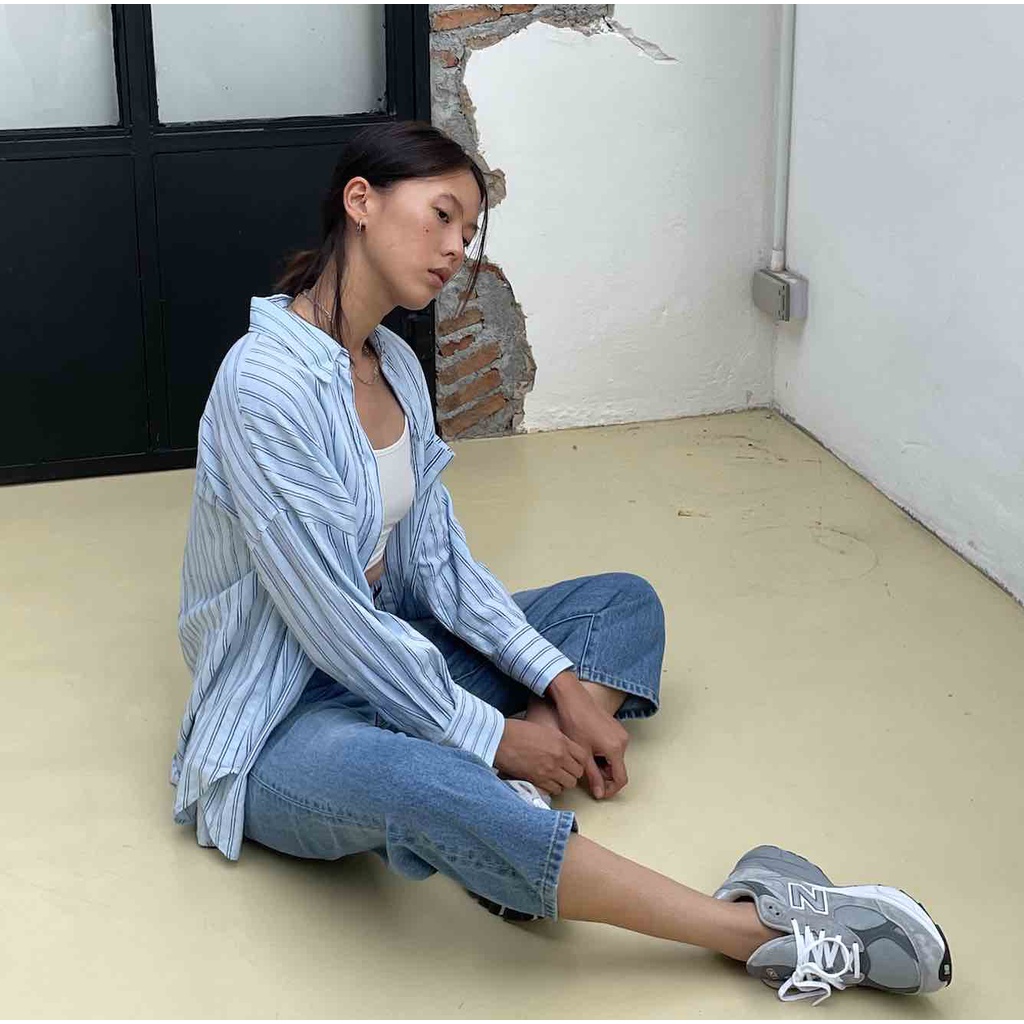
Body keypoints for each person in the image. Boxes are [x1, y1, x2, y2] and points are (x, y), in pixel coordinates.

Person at [170, 121, 952, 1007]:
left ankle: (504, 817)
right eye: (442, 216)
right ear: (361, 201)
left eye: (469, 231)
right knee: (421, 779)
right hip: (285, 716)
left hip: (397, 652)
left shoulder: (394, 367)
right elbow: (334, 626)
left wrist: (564, 689)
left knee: (620, 604)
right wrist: (494, 735)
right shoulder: (265, 384)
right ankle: (756, 930)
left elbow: (442, 564)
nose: (457, 249)